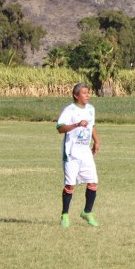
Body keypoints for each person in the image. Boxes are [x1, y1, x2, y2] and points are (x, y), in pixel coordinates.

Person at [57, 83, 100, 227]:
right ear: (76, 95)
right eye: (84, 93)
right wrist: (76, 124)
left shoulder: (91, 109)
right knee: (70, 185)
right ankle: (64, 215)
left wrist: (96, 141)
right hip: (71, 153)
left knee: (93, 182)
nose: (88, 95)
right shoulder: (69, 110)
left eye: (88, 92)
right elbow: (60, 128)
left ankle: (87, 212)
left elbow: (92, 126)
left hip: (85, 151)